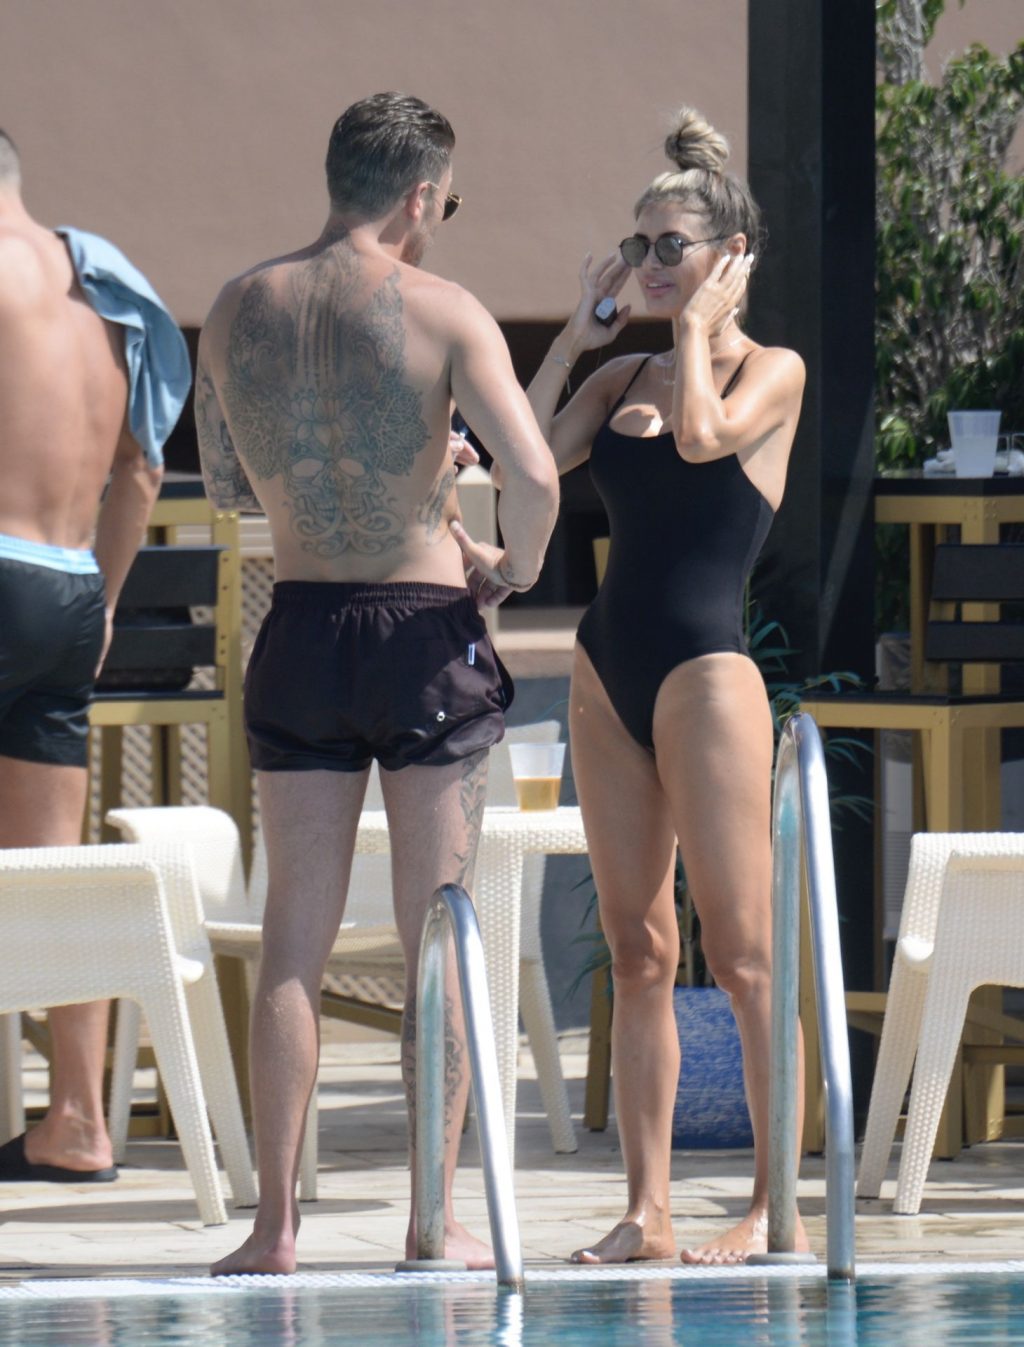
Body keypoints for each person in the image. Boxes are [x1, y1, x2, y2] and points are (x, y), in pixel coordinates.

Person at [196, 91, 559, 1276]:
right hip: (422, 639)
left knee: (292, 941)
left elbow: (229, 490)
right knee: (436, 934)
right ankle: (430, 1222)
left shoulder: (236, 307)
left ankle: (273, 1228)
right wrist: (508, 567)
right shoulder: (445, 310)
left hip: (300, 629)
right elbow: (537, 477)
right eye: (446, 203)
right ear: (420, 195)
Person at [523, 107, 807, 1265]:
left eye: (668, 247)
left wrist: (695, 329)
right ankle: (646, 1210)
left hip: (705, 675)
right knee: (637, 952)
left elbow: (700, 440)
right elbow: (526, 460)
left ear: (730, 258)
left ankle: (773, 1204)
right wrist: (575, 338)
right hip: (606, 667)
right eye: (636, 245)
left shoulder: (772, 373)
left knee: (742, 958)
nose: (645, 263)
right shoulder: (622, 373)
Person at [0, 130, 190, 1182]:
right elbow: (144, 470)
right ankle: (76, 1117)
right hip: (72, 588)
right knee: (49, 870)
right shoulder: (104, 283)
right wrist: (106, 599)